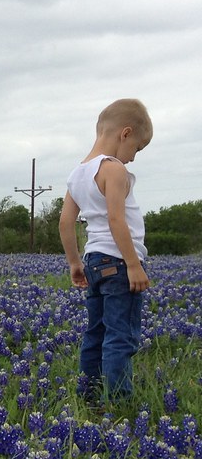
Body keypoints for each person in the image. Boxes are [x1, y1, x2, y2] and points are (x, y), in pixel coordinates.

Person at [59, 98, 153, 402]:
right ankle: (118, 401)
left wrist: (75, 262)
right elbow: (116, 219)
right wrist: (133, 263)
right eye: (137, 149)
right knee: (120, 335)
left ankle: (87, 394)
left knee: (95, 333)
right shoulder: (113, 170)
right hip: (120, 263)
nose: (134, 158)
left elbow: (65, 223)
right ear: (124, 134)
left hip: (94, 262)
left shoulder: (77, 174)